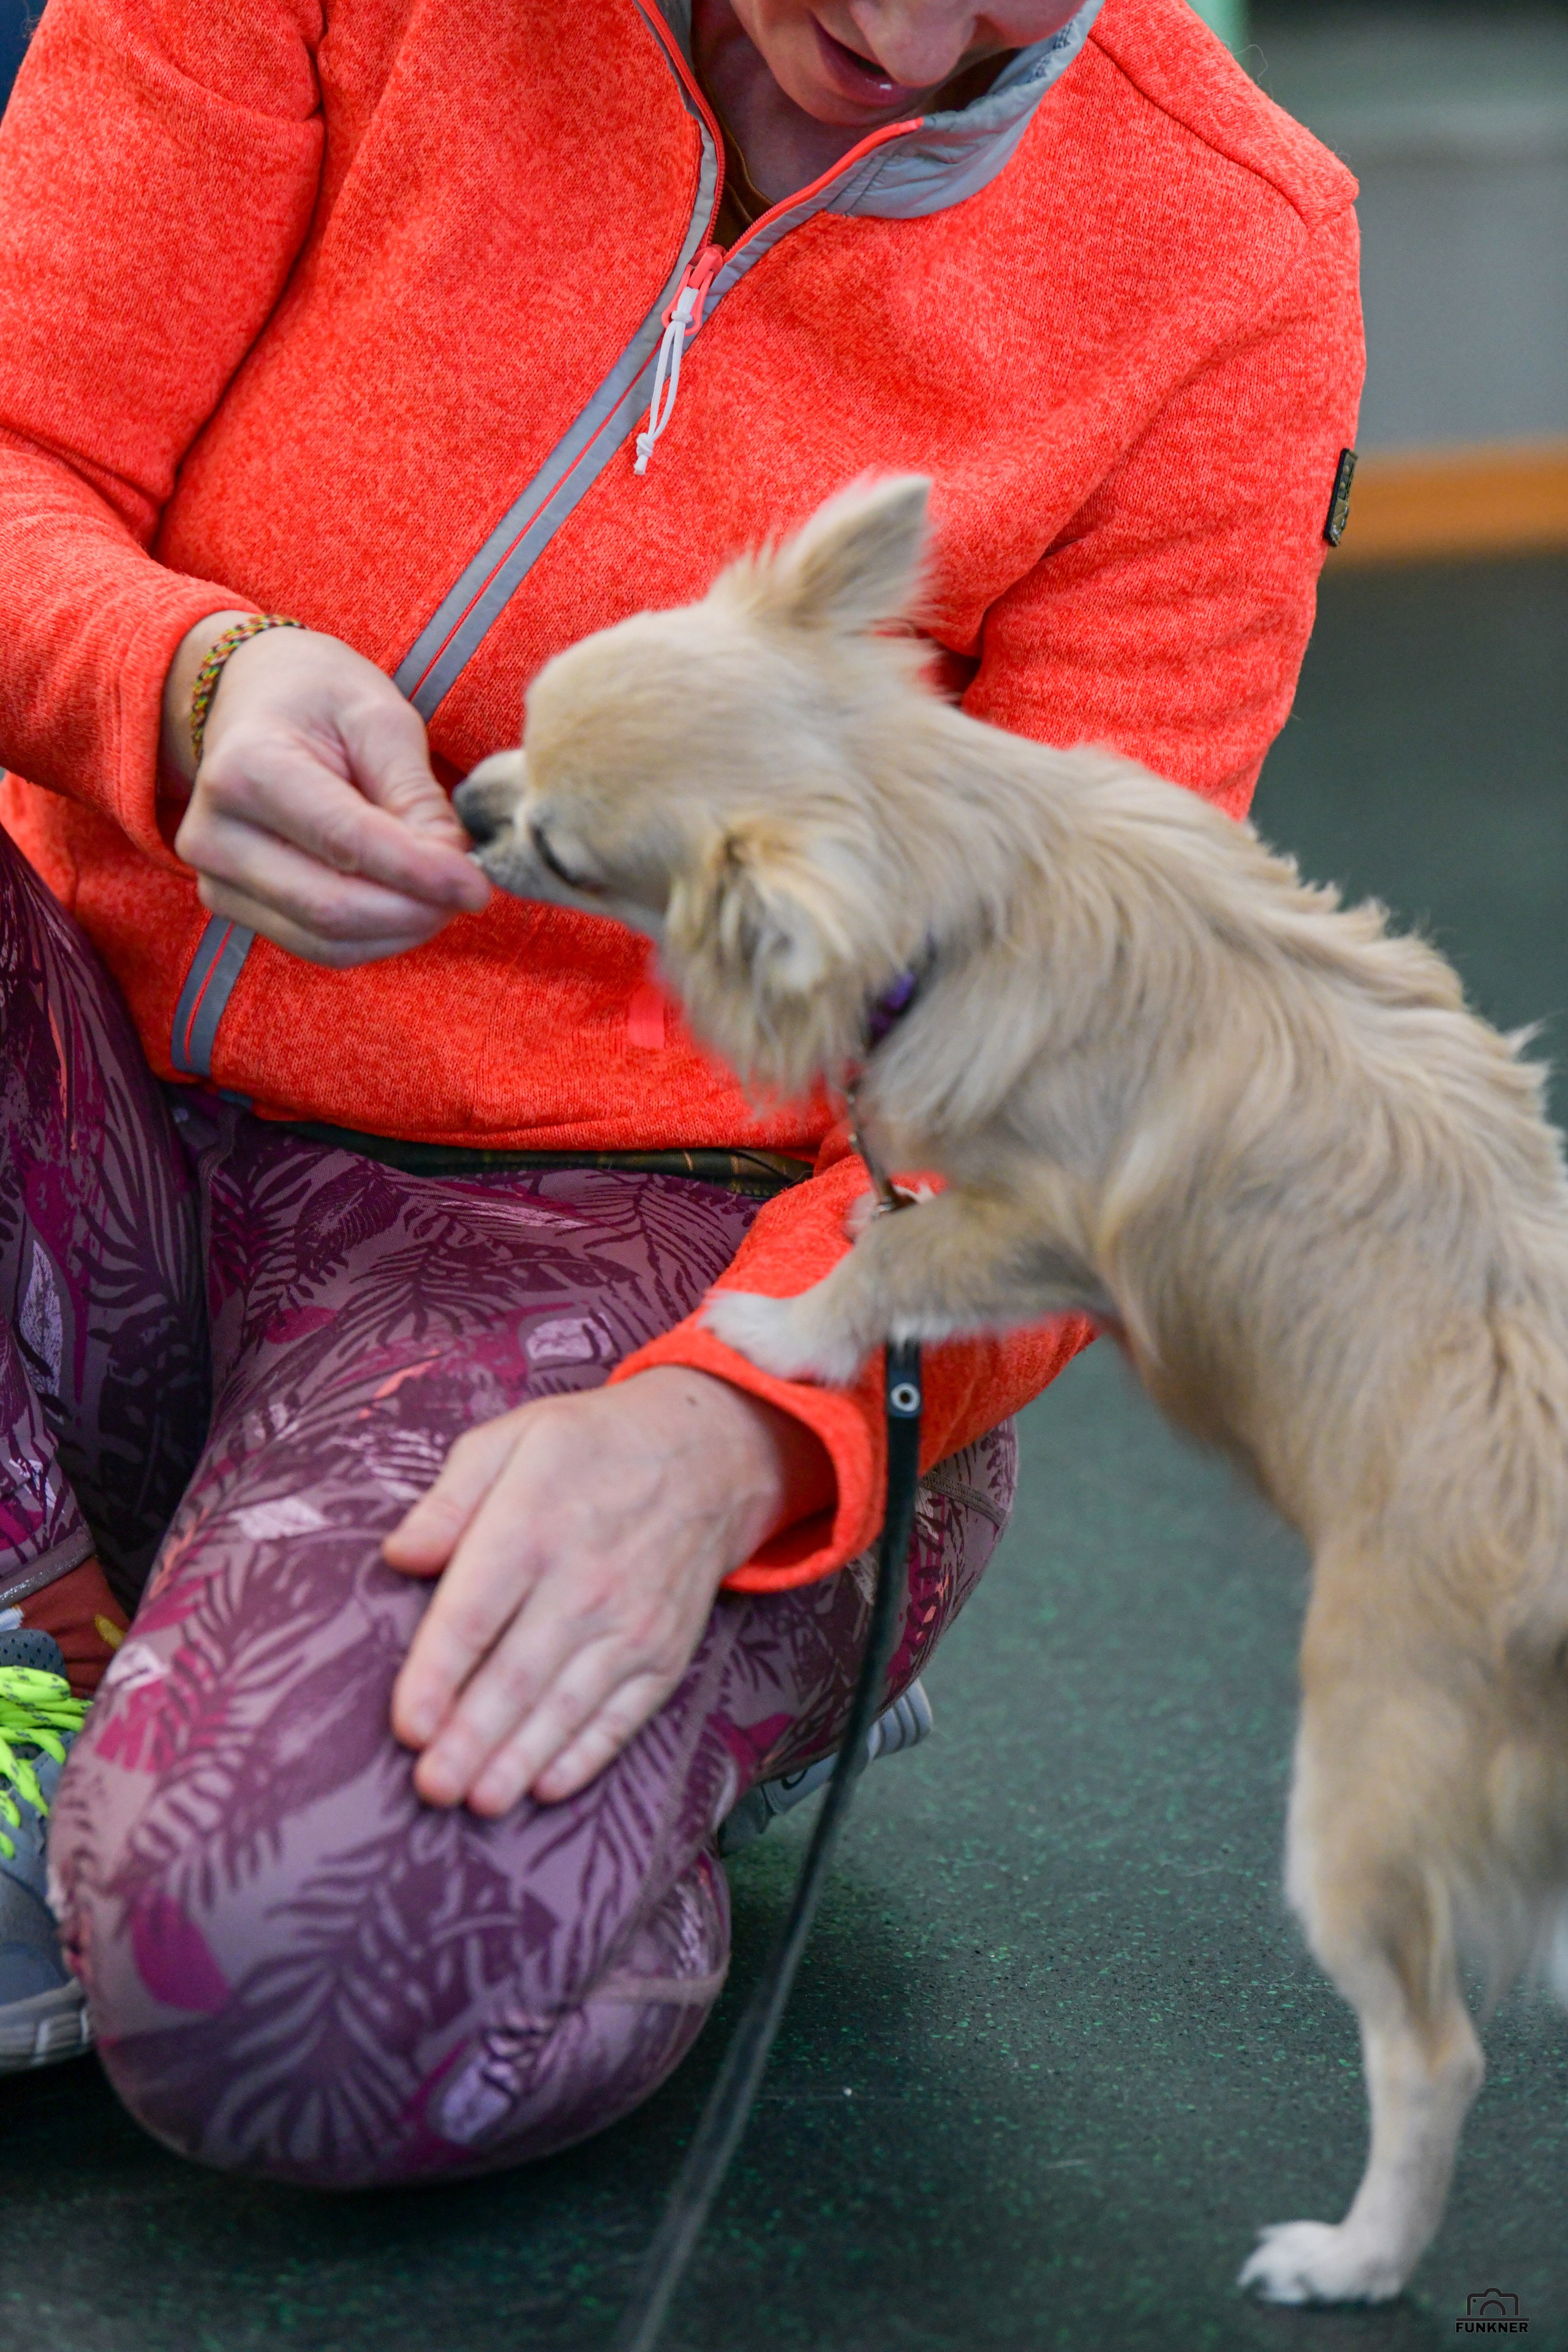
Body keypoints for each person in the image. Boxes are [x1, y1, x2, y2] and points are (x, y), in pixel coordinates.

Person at [0, 0, 1361, 2177]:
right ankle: (41, 1657)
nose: (905, 37)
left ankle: (649, 1679)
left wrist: (740, 1432)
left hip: (622, 1260)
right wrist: (176, 686)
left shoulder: (1231, 255)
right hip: (70, 1078)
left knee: (277, 1986)